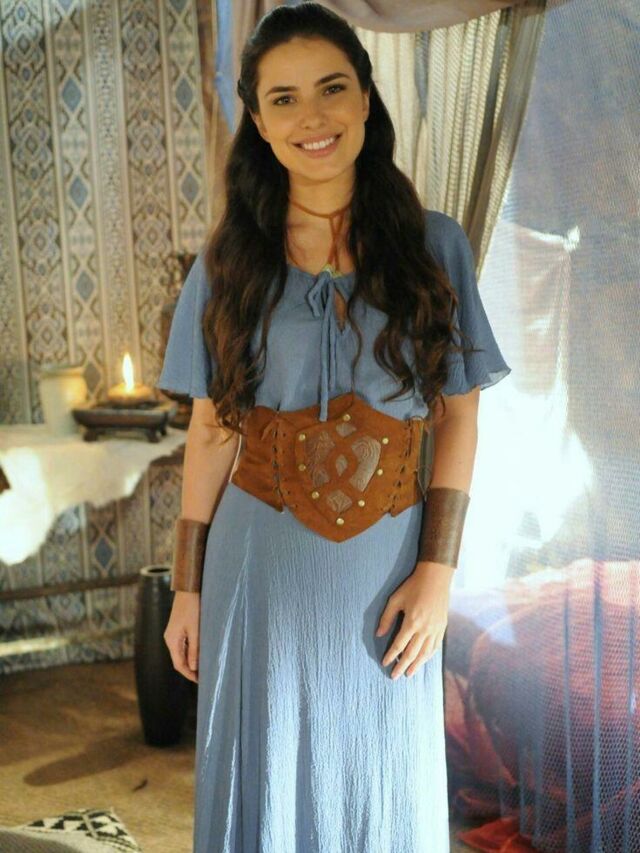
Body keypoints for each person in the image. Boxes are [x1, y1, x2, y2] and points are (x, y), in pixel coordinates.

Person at [158, 4, 511, 851]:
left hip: (387, 562)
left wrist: (437, 571)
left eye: (331, 88)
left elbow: (459, 412)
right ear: (258, 120)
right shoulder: (228, 261)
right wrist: (187, 587)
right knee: (265, 770)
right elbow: (211, 431)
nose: (311, 116)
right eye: (283, 99)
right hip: (259, 563)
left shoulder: (434, 246)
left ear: (363, 99)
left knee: (381, 776)